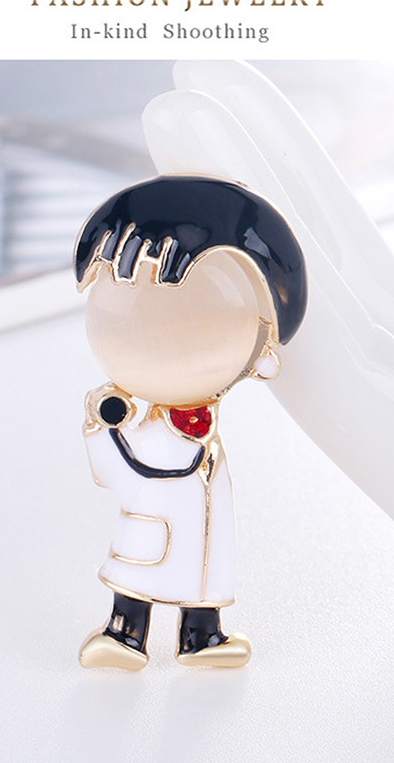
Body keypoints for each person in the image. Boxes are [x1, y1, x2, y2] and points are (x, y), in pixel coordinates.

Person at [74, 174, 307, 669]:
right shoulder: (142, 424)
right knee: (143, 562)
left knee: (205, 561)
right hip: (157, 497)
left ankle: (201, 635)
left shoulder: (212, 399)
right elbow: (112, 469)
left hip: (200, 491)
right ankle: (125, 633)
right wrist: (104, 426)